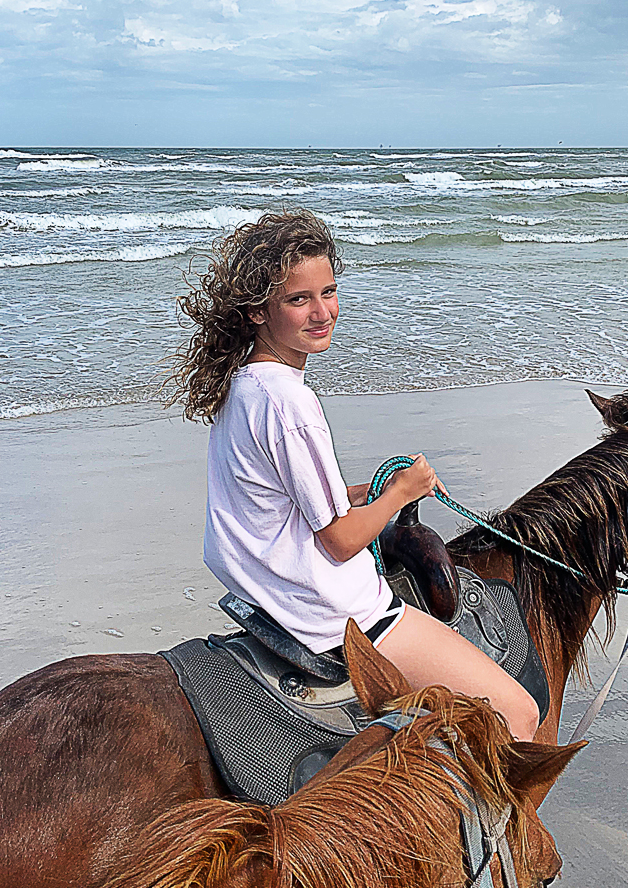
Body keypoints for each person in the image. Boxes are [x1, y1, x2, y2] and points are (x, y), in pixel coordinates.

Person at [169, 209, 539, 742]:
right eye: (298, 299)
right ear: (257, 310)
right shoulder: (289, 402)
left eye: (328, 292)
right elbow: (341, 541)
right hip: (329, 611)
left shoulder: (245, 383)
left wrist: (372, 491)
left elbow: (279, 497)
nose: (321, 312)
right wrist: (402, 495)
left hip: (266, 590)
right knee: (519, 713)